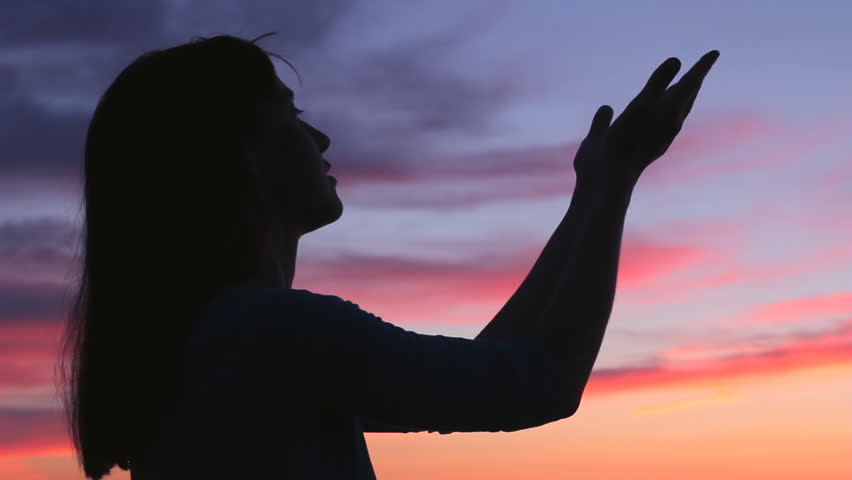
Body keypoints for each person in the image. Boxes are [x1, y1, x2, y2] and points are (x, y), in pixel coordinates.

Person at [55, 31, 719, 479]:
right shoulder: (275, 334)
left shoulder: (206, 344)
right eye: (289, 115)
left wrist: (593, 195)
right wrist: (620, 180)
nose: (318, 136)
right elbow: (541, 382)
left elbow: (499, 368)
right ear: (245, 154)